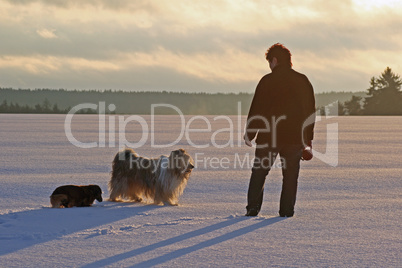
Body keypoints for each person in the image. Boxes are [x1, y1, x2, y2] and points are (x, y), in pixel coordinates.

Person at [244, 43, 315, 217]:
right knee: (290, 176)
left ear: (274, 60)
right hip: (294, 137)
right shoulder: (302, 80)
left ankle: (253, 209)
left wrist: (250, 133)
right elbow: (310, 112)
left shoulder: (267, 81)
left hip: (269, 136)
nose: (270, 66)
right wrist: (308, 139)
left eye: (270, 62)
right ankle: (286, 211)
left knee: (259, 172)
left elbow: (257, 109)